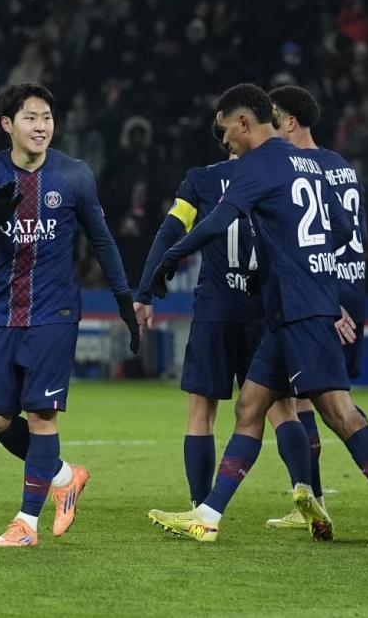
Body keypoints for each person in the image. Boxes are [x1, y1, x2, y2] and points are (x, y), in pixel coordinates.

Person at [147, 83, 368, 549]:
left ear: (245, 123)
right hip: (290, 309)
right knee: (249, 407)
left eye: (227, 133)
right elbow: (345, 228)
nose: (225, 144)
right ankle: (207, 516)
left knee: (340, 415)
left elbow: (217, 221)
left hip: (301, 310)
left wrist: (169, 258)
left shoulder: (259, 163)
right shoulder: (305, 160)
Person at [0, 82, 139, 547]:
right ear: (7, 125)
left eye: (47, 119)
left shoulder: (74, 174)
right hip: (3, 312)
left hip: (54, 312)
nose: (41, 127)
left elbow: (101, 239)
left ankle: (26, 524)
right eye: (31, 118)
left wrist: (124, 297)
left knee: (41, 415)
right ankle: (63, 477)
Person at [134, 132, 265, 507]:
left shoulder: (201, 180)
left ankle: (199, 506)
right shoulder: (274, 174)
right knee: (283, 410)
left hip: (216, 311)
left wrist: (144, 292)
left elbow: (169, 232)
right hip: (264, 310)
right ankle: (308, 492)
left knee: (201, 413)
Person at [265, 85, 368, 529]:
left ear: (290, 122)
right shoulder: (341, 165)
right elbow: (349, 233)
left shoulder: (302, 168)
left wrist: (327, 299)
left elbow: (316, 240)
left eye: (273, 118)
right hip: (350, 285)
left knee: (318, 405)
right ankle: (314, 499)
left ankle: (327, 496)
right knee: (311, 399)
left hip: (322, 292)